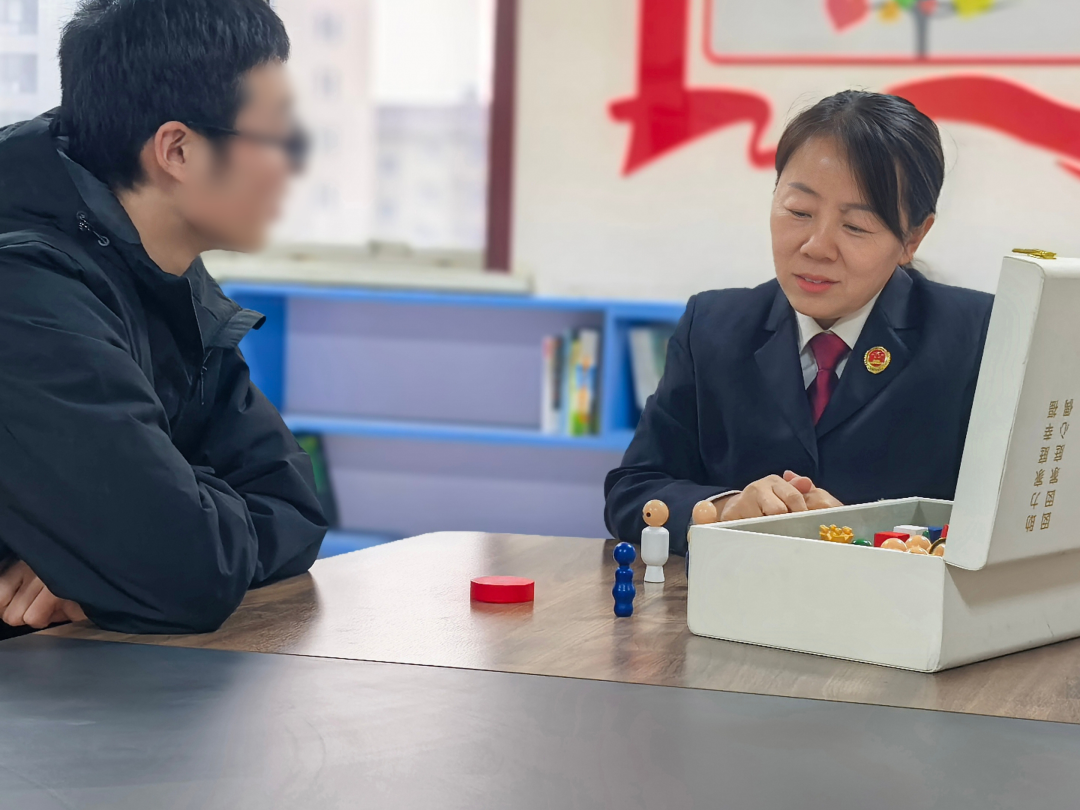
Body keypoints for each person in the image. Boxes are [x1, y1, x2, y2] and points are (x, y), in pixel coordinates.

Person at [0, 0, 327, 638]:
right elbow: (187, 572)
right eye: (277, 139)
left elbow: (293, 503)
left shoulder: (162, 272)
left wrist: (91, 561)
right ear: (177, 149)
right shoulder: (24, 290)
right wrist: (120, 553)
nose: (291, 165)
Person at [604, 90, 993, 555]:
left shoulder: (978, 336)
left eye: (856, 226)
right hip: (736, 597)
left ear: (913, 237)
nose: (816, 246)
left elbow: (1008, 522)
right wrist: (724, 510)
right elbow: (632, 492)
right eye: (799, 212)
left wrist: (860, 531)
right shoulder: (711, 327)